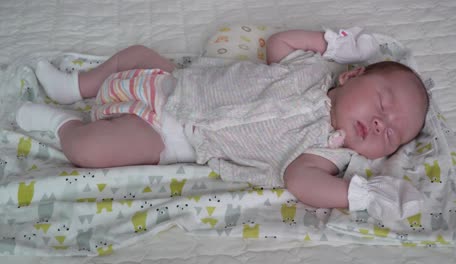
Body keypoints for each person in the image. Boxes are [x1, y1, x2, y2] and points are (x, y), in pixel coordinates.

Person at [16, 27, 429, 220]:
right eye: (382, 104)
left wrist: (358, 195)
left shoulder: (327, 152)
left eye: (390, 134)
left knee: (90, 151)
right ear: (351, 75)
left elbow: (300, 183)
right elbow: (280, 42)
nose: (379, 124)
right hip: (173, 81)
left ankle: (63, 127)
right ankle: (76, 85)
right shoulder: (313, 68)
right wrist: (331, 43)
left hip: (170, 135)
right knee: (135, 53)